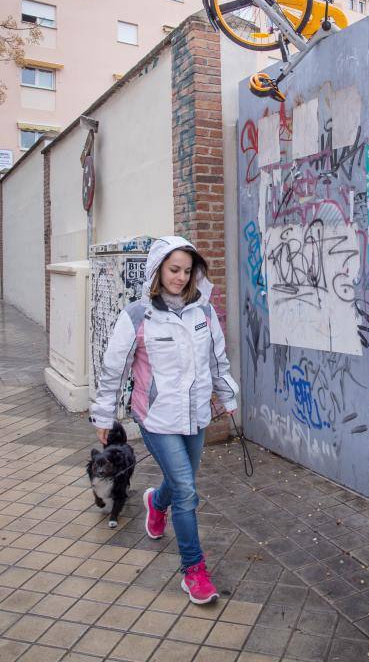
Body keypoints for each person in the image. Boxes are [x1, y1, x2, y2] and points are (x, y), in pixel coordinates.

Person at [89, 236, 238, 604]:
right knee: (187, 492)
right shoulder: (137, 316)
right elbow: (114, 369)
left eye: (188, 271)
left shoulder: (202, 313)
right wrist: (105, 414)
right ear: (158, 270)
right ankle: (193, 571)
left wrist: (228, 394)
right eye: (174, 270)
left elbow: (217, 360)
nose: (181, 277)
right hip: (156, 418)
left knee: (179, 483)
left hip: (196, 417)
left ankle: (157, 502)